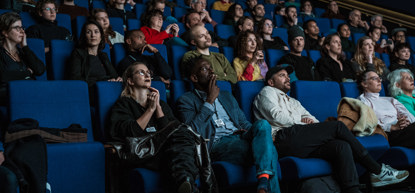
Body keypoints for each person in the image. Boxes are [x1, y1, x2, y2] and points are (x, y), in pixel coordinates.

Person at [252, 65, 409, 192]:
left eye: (287, 75)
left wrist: (307, 122)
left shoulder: (293, 101)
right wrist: (302, 122)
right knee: (338, 127)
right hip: (282, 139)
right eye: (282, 75)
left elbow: (312, 119)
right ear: (271, 82)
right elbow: (276, 116)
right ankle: (377, 170)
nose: (287, 78)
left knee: (341, 146)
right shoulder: (267, 92)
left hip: (302, 140)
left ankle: (353, 190)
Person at [176, 57, 281, 193]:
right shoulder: (186, 101)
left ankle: (263, 183)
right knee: (270, 150)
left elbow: (244, 123)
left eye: (211, 67)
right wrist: (209, 100)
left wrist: (262, 136)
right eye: (204, 69)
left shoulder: (226, 95)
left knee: (263, 125)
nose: (211, 71)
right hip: (217, 144)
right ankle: (263, 183)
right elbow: (192, 132)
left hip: (240, 135)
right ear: (195, 78)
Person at [108, 62, 216, 193]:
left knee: (183, 134)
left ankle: (186, 184)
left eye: (149, 72)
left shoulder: (161, 104)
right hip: (142, 151)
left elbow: (172, 131)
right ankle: (187, 182)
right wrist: (150, 109)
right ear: (130, 81)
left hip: (164, 150)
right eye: (141, 72)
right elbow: (130, 132)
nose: (147, 75)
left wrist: (158, 107)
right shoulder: (123, 104)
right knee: (185, 140)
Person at [358, 70, 415, 148]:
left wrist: (406, 122)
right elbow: (368, 122)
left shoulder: (390, 100)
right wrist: (392, 127)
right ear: (364, 84)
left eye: (379, 78)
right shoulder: (363, 101)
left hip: (405, 130)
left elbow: (407, 114)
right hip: (389, 134)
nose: (379, 81)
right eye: (374, 78)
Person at [0, 12, 45, 104]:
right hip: (10, 97)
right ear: (5, 32)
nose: (22, 31)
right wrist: (28, 72)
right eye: (17, 28)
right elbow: (3, 77)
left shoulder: (23, 52)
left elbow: (40, 70)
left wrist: (25, 46)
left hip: (29, 94)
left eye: (22, 28)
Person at [67, 20, 121, 88]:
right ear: (84, 36)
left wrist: (118, 79)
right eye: (88, 32)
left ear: (101, 36)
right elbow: (76, 79)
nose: (93, 35)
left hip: (107, 88)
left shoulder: (104, 55)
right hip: (91, 89)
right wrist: (103, 82)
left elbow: (114, 76)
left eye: (96, 32)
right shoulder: (78, 53)